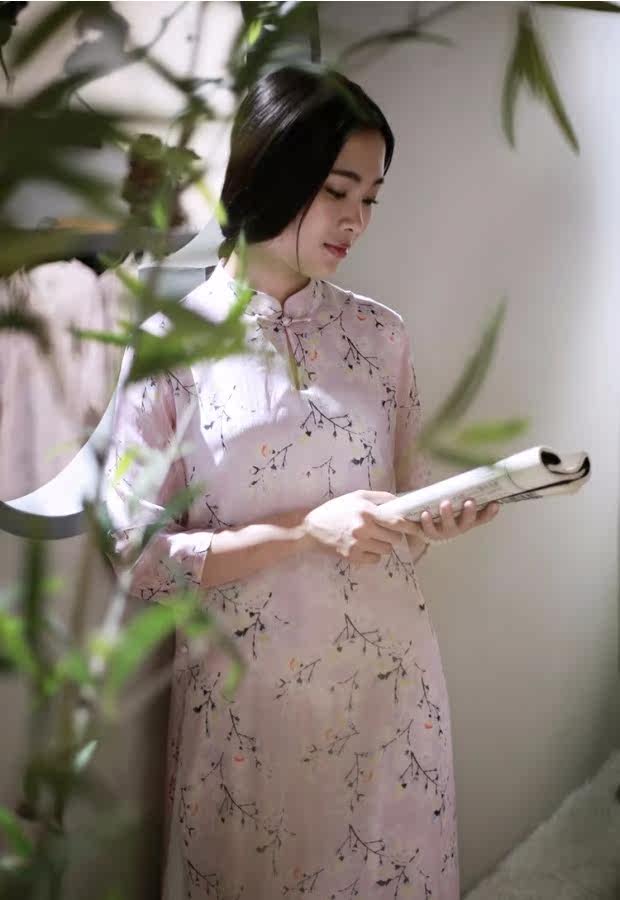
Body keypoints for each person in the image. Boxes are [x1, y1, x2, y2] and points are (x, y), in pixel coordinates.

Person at [105, 65, 499, 900]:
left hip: (389, 682)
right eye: (337, 191)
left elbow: (400, 503)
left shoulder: (382, 337)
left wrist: (435, 518)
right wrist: (302, 530)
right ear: (271, 173)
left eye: (372, 198)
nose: (357, 220)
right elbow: (138, 560)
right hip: (249, 701)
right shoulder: (171, 350)